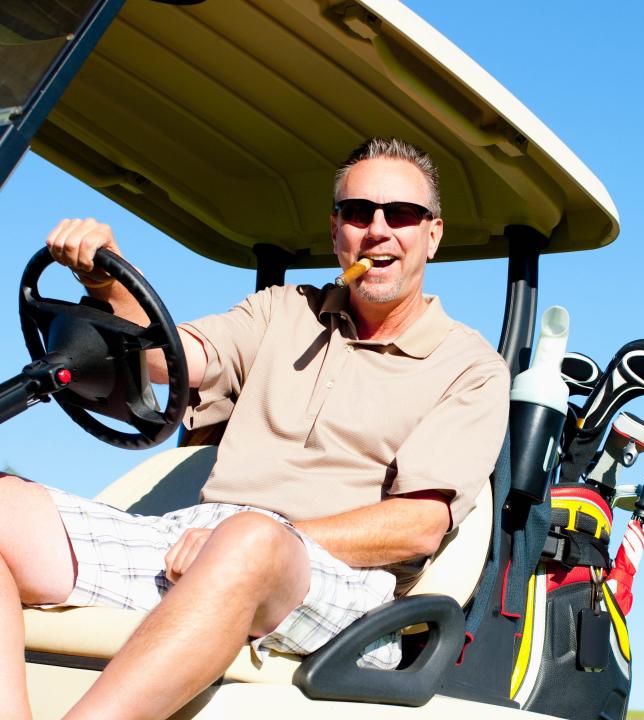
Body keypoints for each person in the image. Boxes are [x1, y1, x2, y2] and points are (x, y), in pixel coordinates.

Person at [0, 138, 510, 720]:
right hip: (204, 539)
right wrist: (107, 286)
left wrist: (261, 535)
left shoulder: (467, 367)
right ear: (335, 229)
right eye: (358, 212)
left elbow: (419, 525)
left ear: (432, 235)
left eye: (401, 215)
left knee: (250, 540)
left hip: (343, 585)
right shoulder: (282, 311)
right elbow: (169, 358)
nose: (377, 230)